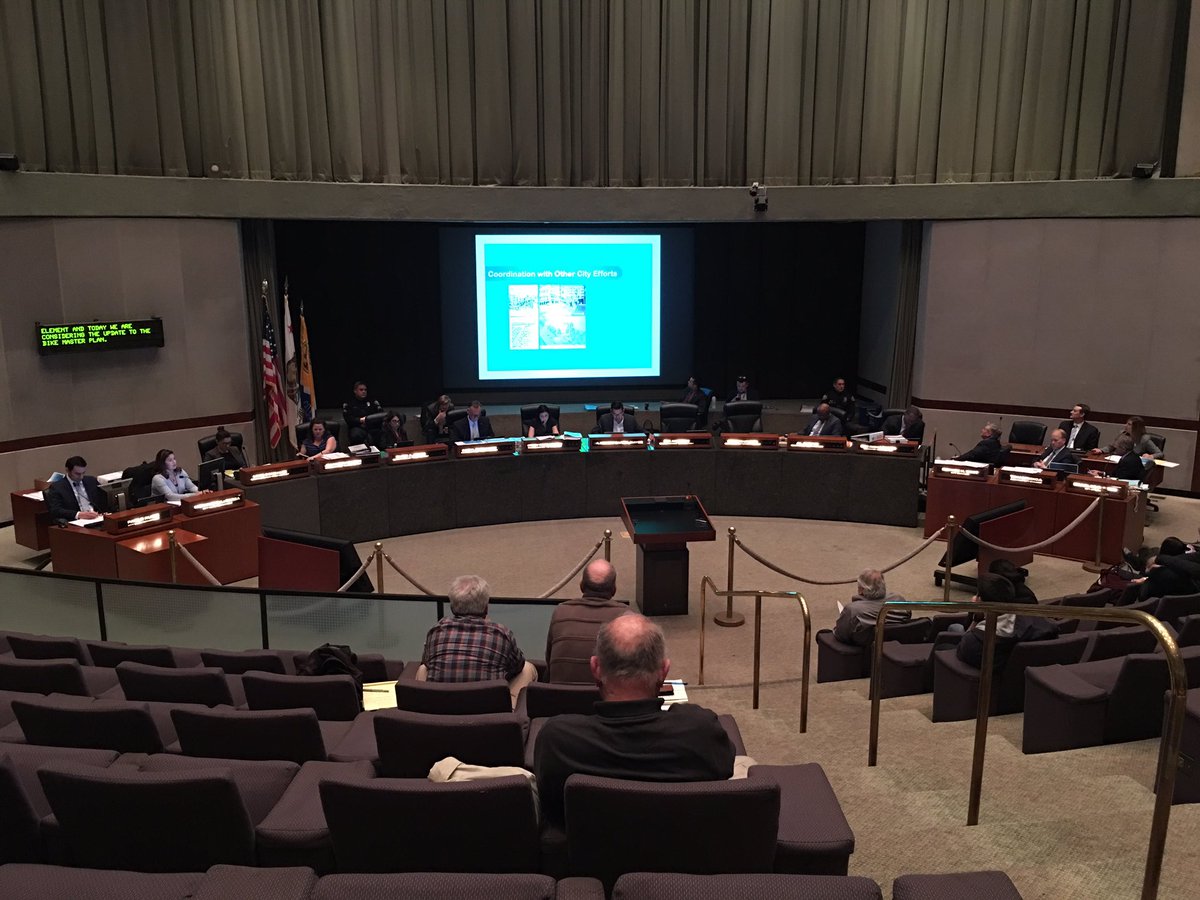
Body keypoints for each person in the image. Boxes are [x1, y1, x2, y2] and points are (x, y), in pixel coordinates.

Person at [533, 613, 737, 829]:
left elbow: (552, 808)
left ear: (595, 667)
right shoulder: (702, 732)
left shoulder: (557, 741)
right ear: (664, 671)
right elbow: (724, 775)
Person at [419, 574, 537, 708]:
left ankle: (421, 709)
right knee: (527, 669)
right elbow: (517, 666)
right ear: (486, 608)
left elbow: (426, 662)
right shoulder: (501, 633)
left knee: (423, 669)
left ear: (451, 607)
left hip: (439, 708)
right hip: (488, 710)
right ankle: (513, 711)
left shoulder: (436, 631)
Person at [545, 559, 629, 682]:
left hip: (558, 694)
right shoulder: (628, 619)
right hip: (608, 694)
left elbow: (549, 663)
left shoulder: (560, 612)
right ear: (613, 590)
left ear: (581, 586)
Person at [954, 572, 1049, 672]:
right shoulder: (1038, 623)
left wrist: (976, 618)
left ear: (981, 602)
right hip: (1017, 672)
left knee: (953, 629)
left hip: (983, 674)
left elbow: (962, 650)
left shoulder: (974, 641)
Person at [831, 569, 911, 646]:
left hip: (864, 649)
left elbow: (840, 635)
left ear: (861, 590)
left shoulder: (852, 610)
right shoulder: (900, 600)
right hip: (895, 645)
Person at [45, 455, 108, 525]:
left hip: (97, 518)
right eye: (77, 474)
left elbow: (103, 500)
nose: (81, 477)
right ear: (67, 470)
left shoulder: (91, 481)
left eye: (83, 473)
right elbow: (56, 510)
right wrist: (79, 514)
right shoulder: (57, 487)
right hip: (76, 522)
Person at [1093, 416, 1164, 461]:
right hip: (1115, 460)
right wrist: (1101, 450)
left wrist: (1151, 456)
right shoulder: (1123, 434)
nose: (1125, 425)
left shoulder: (1144, 439)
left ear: (1136, 427)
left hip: (1130, 464)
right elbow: (1112, 447)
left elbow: (1160, 454)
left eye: (1129, 424)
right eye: (1126, 423)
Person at [343, 381, 383, 445]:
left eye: (365, 390)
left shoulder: (372, 401)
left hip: (372, 426)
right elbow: (348, 418)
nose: (364, 391)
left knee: (381, 433)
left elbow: (380, 414)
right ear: (355, 391)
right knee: (356, 434)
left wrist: (370, 421)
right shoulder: (349, 403)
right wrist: (360, 420)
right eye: (361, 390)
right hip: (357, 427)